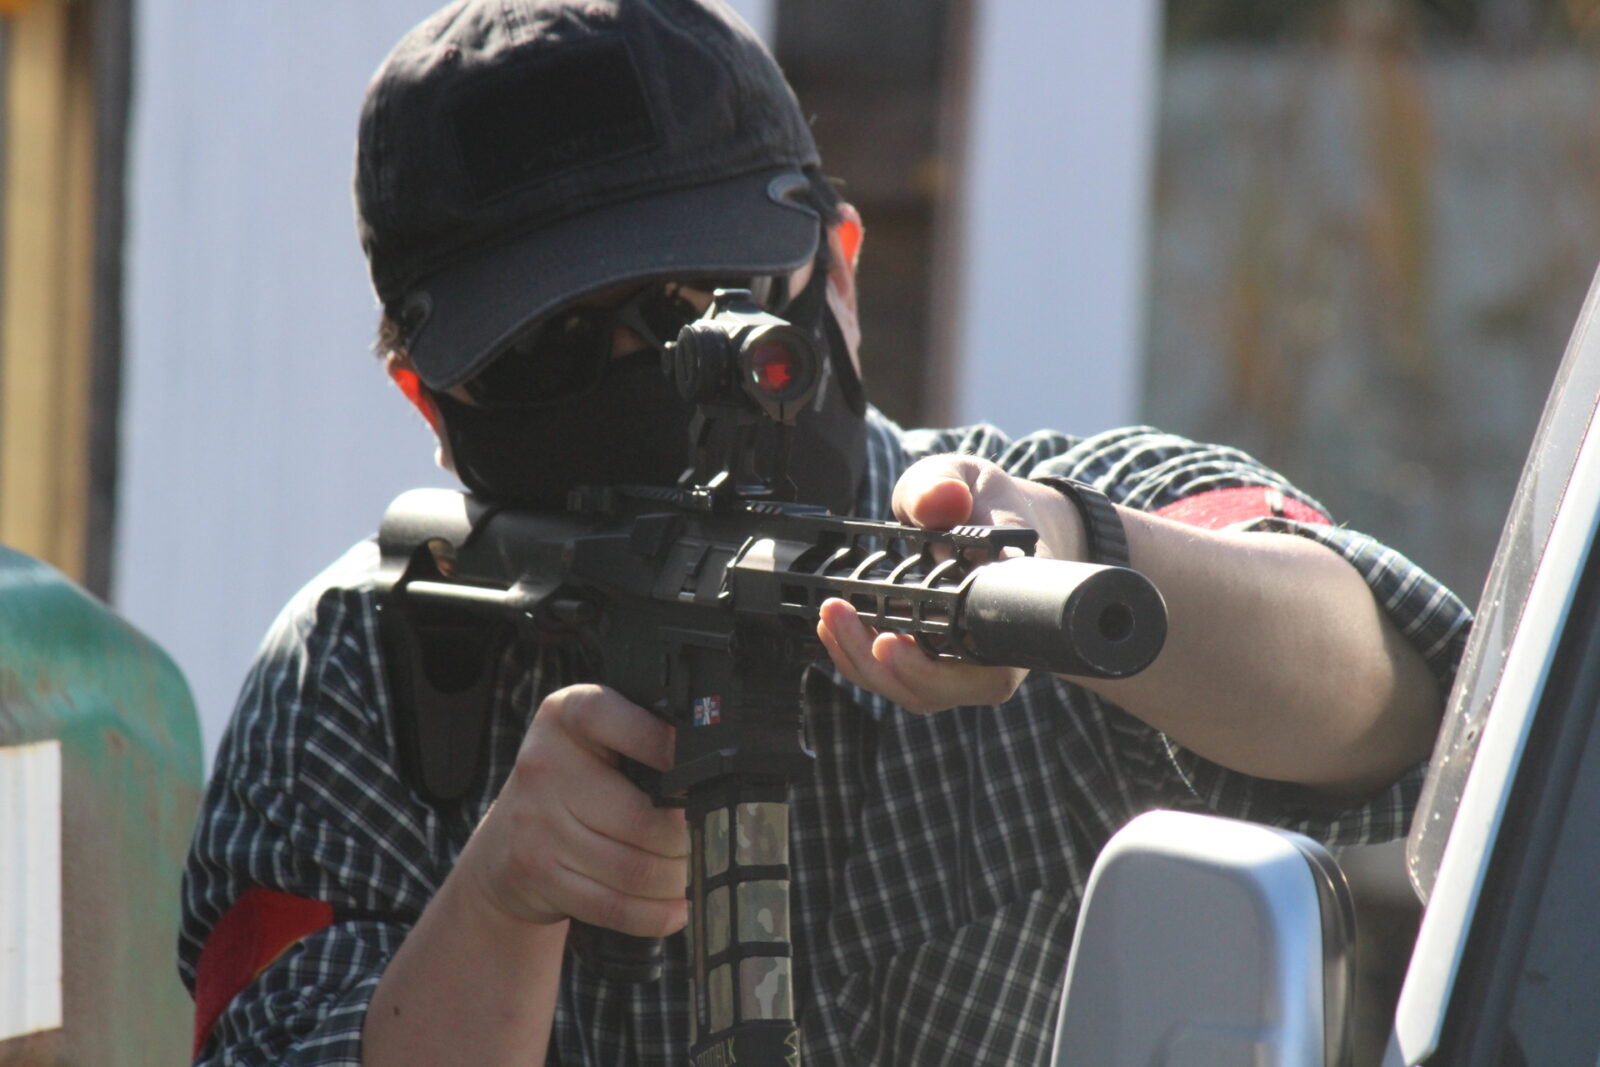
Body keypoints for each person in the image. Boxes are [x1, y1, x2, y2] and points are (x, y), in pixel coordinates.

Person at [178, 1, 1472, 1064]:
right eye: (552, 349)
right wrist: (502, 904)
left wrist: (1073, 550)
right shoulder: (360, 675)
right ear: (427, 398)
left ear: (838, 270)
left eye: (710, 304)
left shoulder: (1044, 522)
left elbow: (1414, 707)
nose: (654, 378)